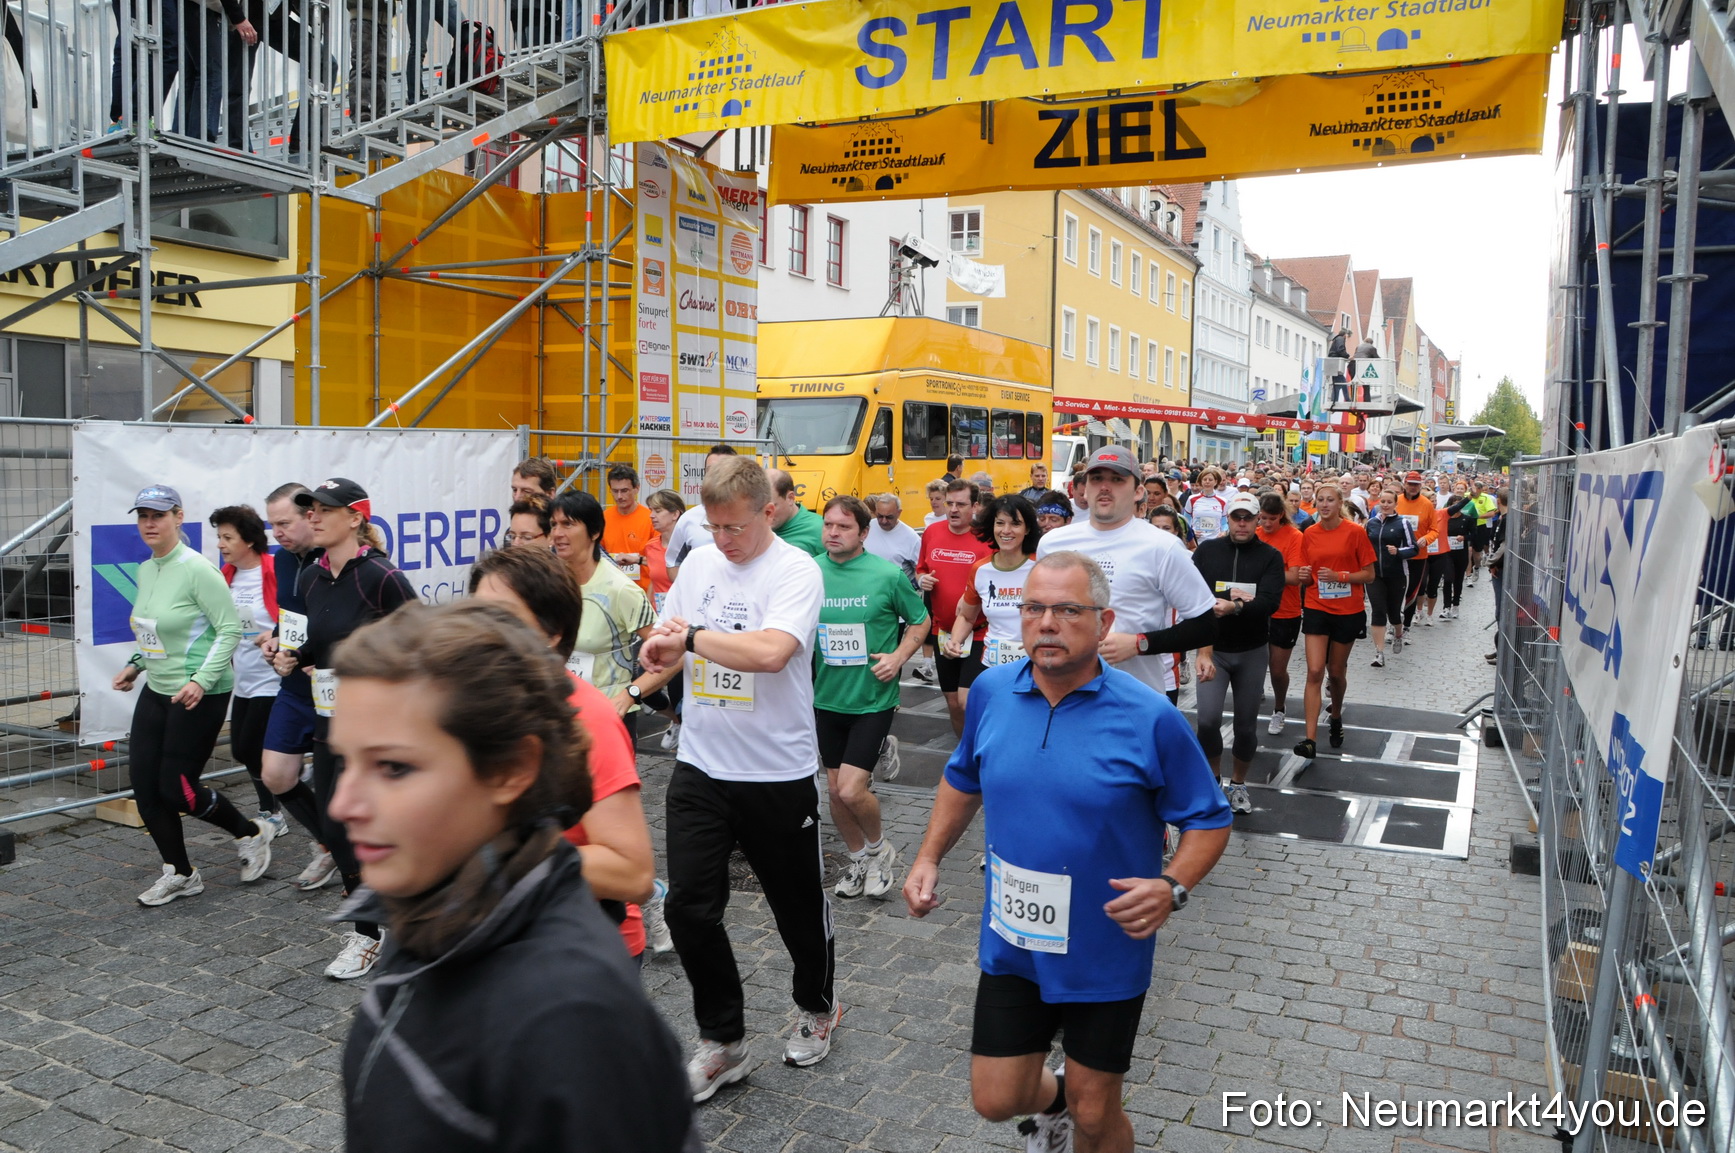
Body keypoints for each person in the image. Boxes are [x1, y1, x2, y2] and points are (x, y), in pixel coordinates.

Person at [328, 602, 697, 1152]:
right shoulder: (431, 908)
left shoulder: (571, 1017)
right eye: (344, 761)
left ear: (511, 770)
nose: (342, 805)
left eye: (394, 767)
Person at [902, 551, 1232, 1153]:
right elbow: (962, 777)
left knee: (1095, 1112)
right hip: (1014, 940)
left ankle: (1075, 1108)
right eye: (1034, 608)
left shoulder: (1149, 716)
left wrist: (1172, 885)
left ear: (1104, 623)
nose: (1047, 623)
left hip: (1104, 948)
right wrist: (928, 857)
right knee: (995, 1098)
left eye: (1068, 610)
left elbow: (1209, 818)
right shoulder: (992, 691)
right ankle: (1053, 1102)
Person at [635, 456, 841, 1096]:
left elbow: (771, 653)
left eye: (735, 527)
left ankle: (817, 1005)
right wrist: (647, 668)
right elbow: (673, 642)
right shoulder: (699, 564)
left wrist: (691, 639)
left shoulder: (796, 569)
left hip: (777, 772)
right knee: (690, 910)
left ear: (768, 511)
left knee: (797, 909)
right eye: (713, 527)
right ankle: (723, 1041)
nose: (723, 540)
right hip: (702, 766)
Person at [467, 546, 662, 966]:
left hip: (581, 952)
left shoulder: (587, 719)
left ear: (551, 631)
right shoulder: (473, 704)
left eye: (502, 616)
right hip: (499, 943)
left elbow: (632, 872)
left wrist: (498, 860)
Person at [271, 478, 416, 979]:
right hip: (330, 720)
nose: (312, 516)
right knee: (335, 825)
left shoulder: (382, 577)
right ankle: (371, 929)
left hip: (379, 726)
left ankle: (384, 925)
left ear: (355, 518)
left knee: (385, 828)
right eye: (308, 509)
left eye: (323, 510)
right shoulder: (311, 577)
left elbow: (420, 646)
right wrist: (291, 656)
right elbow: (318, 641)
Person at [113, 485, 276, 907]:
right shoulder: (147, 569)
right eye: (143, 516)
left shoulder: (197, 569)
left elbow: (229, 630)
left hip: (199, 692)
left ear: (178, 517)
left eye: (159, 515)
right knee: (145, 788)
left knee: (177, 789)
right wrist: (136, 664)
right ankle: (182, 873)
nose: (150, 523)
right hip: (158, 687)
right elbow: (152, 630)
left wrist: (201, 680)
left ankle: (251, 833)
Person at [813, 496, 930, 899]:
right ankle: (858, 858)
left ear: (864, 533)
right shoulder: (808, 571)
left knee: (850, 789)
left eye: (843, 526)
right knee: (833, 792)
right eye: (828, 524)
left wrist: (898, 657)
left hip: (871, 700)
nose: (833, 532)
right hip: (825, 698)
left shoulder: (886, 575)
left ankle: (880, 850)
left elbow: (920, 621)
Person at [1038, 448, 1217, 706]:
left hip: (1134, 700)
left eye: (1117, 479)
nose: (1105, 487)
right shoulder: (1053, 543)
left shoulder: (1162, 547)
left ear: (1138, 491)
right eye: (1096, 479)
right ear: (1084, 489)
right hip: (1062, 696)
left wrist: (1138, 643)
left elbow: (1206, 626)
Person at [257, 482, 338, 890]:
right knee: (276, 775)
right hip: (293, 686)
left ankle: (353, 856)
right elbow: (291, 616)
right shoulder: (283, 559)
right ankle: (330, 845)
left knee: (340, 784)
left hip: (334, 687)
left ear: (310, 516)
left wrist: (321, 657)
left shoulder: (338, 559)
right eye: (272, 525)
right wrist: (276, 640)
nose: (278, 533)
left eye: (285, 523)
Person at [1192, 495, 1285, 814]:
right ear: (1227, 519)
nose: (1242, 523)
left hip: (1251, 650)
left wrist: (1237, 607)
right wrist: (1201, 647)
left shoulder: (1270, 556)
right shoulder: (1208, 551)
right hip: (1214, 650)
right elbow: (1193, 594)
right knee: (1207, 721)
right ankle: (1214, 778)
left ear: (1258, 520)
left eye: (1248, 518)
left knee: (1246, 725)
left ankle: (1239, 784)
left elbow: (1271, 602)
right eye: (1236, 517)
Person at [549, 491, 660, 738]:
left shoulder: (620, 589)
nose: (557, 533)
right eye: (554, 524)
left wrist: (630, 694)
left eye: (568, 524)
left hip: (605, 719)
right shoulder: (550, 583)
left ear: (594, 532)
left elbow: (671, 656)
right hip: (560, 715)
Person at [210, 504, 286, 835]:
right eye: (219, 537)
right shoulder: (225, 576)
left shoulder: (275, 569)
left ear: (250, 540)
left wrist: (276, 637)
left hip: (273, 677)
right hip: (243, 677)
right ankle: (286, 791)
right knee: (242, 749)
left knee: (250, 746)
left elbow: (295, 616)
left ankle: (274, 810)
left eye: (228, 537)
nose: (221, 544)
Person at [1292, 482, 1376, 760]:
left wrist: (1340, 576)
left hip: (1348, 610)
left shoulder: (1355, 532)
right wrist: (1305, 576)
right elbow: (1307, 575)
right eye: (1321, 500)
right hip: (1316, 606)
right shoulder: (1309, 533)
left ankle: (1336, 715)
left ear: (1340, 503)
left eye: (1330, 500)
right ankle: (1310, 739)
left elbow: (1369, 575)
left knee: (1336, 672)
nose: (1325, 504)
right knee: (1315, 670)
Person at [918, 479, 992, 735]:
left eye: (960, 504)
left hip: (980, 631)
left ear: (975, 506)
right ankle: (964, 748)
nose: (953, 509)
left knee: (968, 700)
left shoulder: (987, 538)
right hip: (943, 631)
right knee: (952, 702)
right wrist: (922, 580)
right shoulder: (932, 532)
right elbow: (921, 568)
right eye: (949, 503)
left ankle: (981, 749)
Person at [947, 495, 1041, 672]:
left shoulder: (1041, 566)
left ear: (1027, 529)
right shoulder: (981, 569)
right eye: (1000, 523)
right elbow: (966, 616)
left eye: (1015, 524)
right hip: (993, 666)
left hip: (1036, 666)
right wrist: (955, 641)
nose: (1006, 531)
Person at [1254, 492, 1306, 735]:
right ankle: (1251, 702)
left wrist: (1263, 574)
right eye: (1263, 518)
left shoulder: (1295, 536)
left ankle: (1279, 708)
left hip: (1285, 611)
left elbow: (1295, 577)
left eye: (1272, 519)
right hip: (1256, 610)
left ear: (1281, 516)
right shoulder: (1254, 534)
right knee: (1253, 665)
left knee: (1277, 669)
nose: (1266, 523)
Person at [664, 444, 740, 577]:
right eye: (710, 471)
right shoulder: (689, 519)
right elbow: (673, 563)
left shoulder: (754, 518)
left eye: (723, 470)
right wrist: (691, 586)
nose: (716, 476)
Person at [1364, 490, 1418, 668]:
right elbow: (1363, 546)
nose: (1385, 505)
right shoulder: (1371, 523)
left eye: (1389, 502)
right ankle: (1379, 653)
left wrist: (1398, 551)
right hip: (1375, 575)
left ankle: (1398, 633)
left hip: (1397, 574)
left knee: (1394, 613)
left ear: (1395, 504)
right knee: (1378, 610)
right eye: (1383, 502)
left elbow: (1414, 548)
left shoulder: (1403, 523)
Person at [1422, 482, 1473, 624]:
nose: (1433, 503)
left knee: (1456, 580)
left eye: (1435, 501)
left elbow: (1473, 534)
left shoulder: (1464, 518)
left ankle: (1454, 605)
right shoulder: (1444, 517)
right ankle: (1444, 607)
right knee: (1447, 579)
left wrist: (1464, 537)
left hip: (1457, 553)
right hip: (1443, 553)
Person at [1394, 471, 1438, 633]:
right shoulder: (1396, 501)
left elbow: (1434, 530)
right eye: (1410, 484)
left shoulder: (1426, 504)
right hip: (1397, 554)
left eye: (1416, 485)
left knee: (1412, 591)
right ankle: (1393, 625)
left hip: (1418, 555)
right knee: (1395, 590)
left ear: (1420, 486)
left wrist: (1426, 539)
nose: (1413, 487)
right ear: (1404, 484)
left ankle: (1406, 627)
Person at [602, 464, 657, 595]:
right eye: (615, 491)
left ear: (636, 488)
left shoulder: (651, 518)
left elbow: (659, 559)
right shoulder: (603, 518)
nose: (619, 496)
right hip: (612, 591)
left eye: (624, 490)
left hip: (642, 592)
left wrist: (636, 560)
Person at [864, 493, 921, 586]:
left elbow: (920, 570)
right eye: (880, 516)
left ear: (899, 513)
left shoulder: (911, 537)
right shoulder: (867, 528)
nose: (884, 521)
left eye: (889, 517)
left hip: (896, 590)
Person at [644, 488, 686, 615]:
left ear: (675, 514)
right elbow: (654, 582)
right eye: (651, 510)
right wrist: (647, 612)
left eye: (658, 511)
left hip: (683, 616)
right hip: (659, 616)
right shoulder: (650, 546)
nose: (651, 515)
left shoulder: (689, 547)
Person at [765, 468, 825, 557]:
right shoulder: (751, 527)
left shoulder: (820, 530)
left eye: (771, 507)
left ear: (790, 498)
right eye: (758, 507)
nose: (764, 514)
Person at [1185, 467, 1230, 544]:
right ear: (1201, 481)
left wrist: (1223, 532)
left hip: (1215, 542)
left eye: (1210, 480)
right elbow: (1186, 520)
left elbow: (1224, 523)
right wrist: (1191, 532)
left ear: (1216, 482)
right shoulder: (1192, 499)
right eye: (1204, 479)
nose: (1207, 482)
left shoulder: (1223, 501)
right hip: (1197, 542)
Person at [1467, 479, 1498, 585]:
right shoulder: (1467, 496)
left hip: (1480, 527)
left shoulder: (1486, 498)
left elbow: (1492, 513)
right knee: (1469, 551)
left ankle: (1476, 567)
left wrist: (1477, 516)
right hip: (1467, 527)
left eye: (1476, 489)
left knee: (1477, 554)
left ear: (1480, 490)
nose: (1473, 491)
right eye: (1472, 489)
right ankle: (1468, 574)